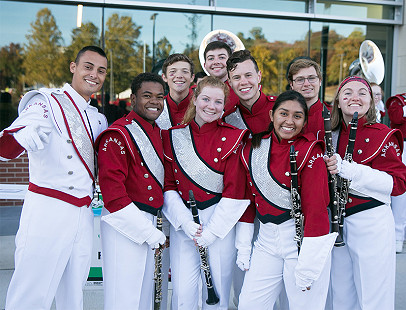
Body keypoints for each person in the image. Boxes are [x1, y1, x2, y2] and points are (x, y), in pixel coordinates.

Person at [0, 45, 108, 310]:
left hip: (82, 214)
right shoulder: (46, 102)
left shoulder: (98, 118)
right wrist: (18, 137)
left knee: (73, 294)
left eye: (101, 71)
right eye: (88, 67)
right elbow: (7, 148)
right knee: (32, 292)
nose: (94, 74)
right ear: (73, 67)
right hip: (48, 211)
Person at [237, 90, 336, 310]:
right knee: (249, 304)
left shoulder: (311, 150)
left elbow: (316, 209)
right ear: (272, 115)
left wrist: (309, 264)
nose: (289, 121)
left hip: (301, 241)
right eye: (283, 113)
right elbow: (247, 200)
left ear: (305, 121)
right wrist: (243, 246)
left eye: (297, 116)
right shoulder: (254, 146)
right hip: (266, 240)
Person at [162, 76, 250, 310]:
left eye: (218, 102)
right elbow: (168, 185)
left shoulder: (234, 137)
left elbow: (235, 191)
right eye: (206, 99)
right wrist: (184, 222)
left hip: (219, 227)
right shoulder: (173, 136)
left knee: (217, 292)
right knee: (183, 293)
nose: (211, 106)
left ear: (224, 105)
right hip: (185, 226)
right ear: (194, 99)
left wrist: (211, 233)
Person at [324, 76, 406, 309]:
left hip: (371, 222)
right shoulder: (328, 135)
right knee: (341, 296)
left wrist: (354, 172)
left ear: (370, 101)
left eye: (362, 92)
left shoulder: (382, 133)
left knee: (374, 297)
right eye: (347, 92)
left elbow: (398, 184)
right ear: (338, 101)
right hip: (336, 223)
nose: (355, 97)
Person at [95, 72, 167, 309]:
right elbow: (113, 195)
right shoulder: (118, 134)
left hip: (149, 222)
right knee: (123, 299)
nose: (154, 101)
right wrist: (147, 231)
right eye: (147, 95)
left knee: (143, 299)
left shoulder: (157, 131)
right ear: (133, 98)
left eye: (159, 96)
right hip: (124, 223)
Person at [224, 49, 276, 134]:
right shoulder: (228, 119)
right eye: (237, 77)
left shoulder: (279, 108)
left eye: (248, 75)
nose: (244, 82)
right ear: (230, 83)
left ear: (259, 77)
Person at [288, 58, 329, 139]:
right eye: (300, 79)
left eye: (312, 78)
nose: (306, 84)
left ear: (320, 81)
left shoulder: (333, 115)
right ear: (291, 84)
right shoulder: (283, 116)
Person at [386, 91, 406, 253]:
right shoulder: (398, 100)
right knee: (401, 195)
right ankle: (398, 236)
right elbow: (397, 118)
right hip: (403, 147)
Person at [156, 53, 195, 129]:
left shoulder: (204, 106)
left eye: (185, 71)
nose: (179, 76)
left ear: (192, 77)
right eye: (173, 71)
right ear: (164, 77)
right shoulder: (156, 107)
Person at [203, 41, 240, 113]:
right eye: (211, 58)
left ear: (230, 63)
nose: (216, 62)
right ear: (205, 65)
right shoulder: (198, 92)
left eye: (221, 57)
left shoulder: (240, 90)